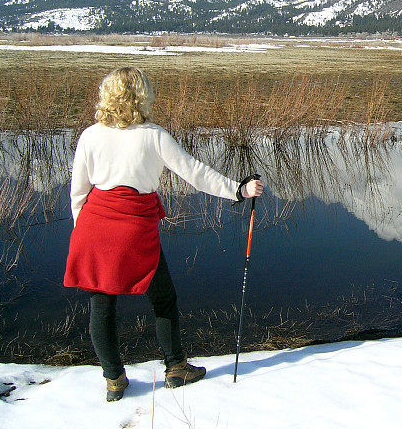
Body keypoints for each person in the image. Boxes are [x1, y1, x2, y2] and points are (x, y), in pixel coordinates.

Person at [63, 67, 263, 402]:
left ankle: (114, 381)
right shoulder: (152, 135)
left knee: (102, 305)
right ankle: (175, 368)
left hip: (92, 226)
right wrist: (238, 190)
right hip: (133, 229)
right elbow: (195, 173)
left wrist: (83, 234)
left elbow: (78, 194)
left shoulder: (90, 135)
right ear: (142, 96)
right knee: (163, 298)